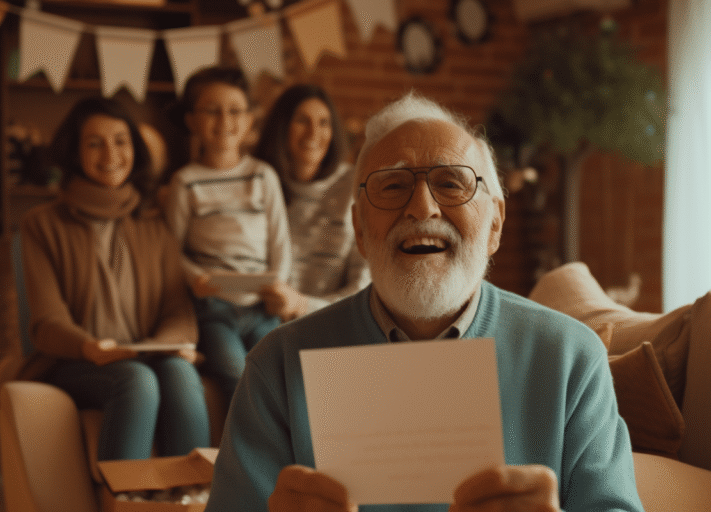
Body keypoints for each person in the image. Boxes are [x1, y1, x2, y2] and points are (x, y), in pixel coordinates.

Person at [205, 92, 644, 511]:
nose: (422, 207)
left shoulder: (571, 358)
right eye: (392, 185)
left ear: (495, 222)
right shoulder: (278, 366)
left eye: (451, 182)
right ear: (359, 228)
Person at [20, 97, 210, 461]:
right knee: (135, 380)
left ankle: (194, 496)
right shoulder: (41, 224)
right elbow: (46, 322)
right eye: (94, 142)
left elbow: (177, 311)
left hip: (144, 353)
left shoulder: (156, 223)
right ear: (75, 151)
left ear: (134, 149)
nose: (110, 152)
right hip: (77, 362)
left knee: (179, 373)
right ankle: (124, 502)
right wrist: (90, 347)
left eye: (121, 140)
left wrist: (167, 343)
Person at [161, 66, 292, 404]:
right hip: (214, 308)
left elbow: (280, 241)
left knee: (282, 371)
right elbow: (170, 250)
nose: (225, 120)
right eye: (212, 110)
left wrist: (278, 283)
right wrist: (195, 278)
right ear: (191, 120)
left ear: (249, 120)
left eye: (235, 111)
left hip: (262, 305)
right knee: (237, 375)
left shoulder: (263, 176)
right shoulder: (185, 181)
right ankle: (244, 453)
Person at [254, 84, 370, 321]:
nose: (313, 132)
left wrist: (302, 304)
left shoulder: (356, 186)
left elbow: (364, 293)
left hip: (333, 327)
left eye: (324, 122)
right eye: (301, 121)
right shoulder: (258, 184)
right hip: (260, 324)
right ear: (281, 127)